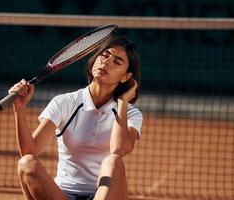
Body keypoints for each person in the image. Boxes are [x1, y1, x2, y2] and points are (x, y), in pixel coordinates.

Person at [9, 34, 143, 200]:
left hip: (103, 195)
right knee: (26, 163)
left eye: (117, 61)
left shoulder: (131, 113)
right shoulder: (65, 102)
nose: (106, 62)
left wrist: (122, 102)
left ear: (126, 77)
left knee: (113, 162)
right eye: (104, 55)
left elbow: (119, 149)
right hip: (63, 195)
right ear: (95, 60)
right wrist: (19, 108)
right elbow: (29, 151)